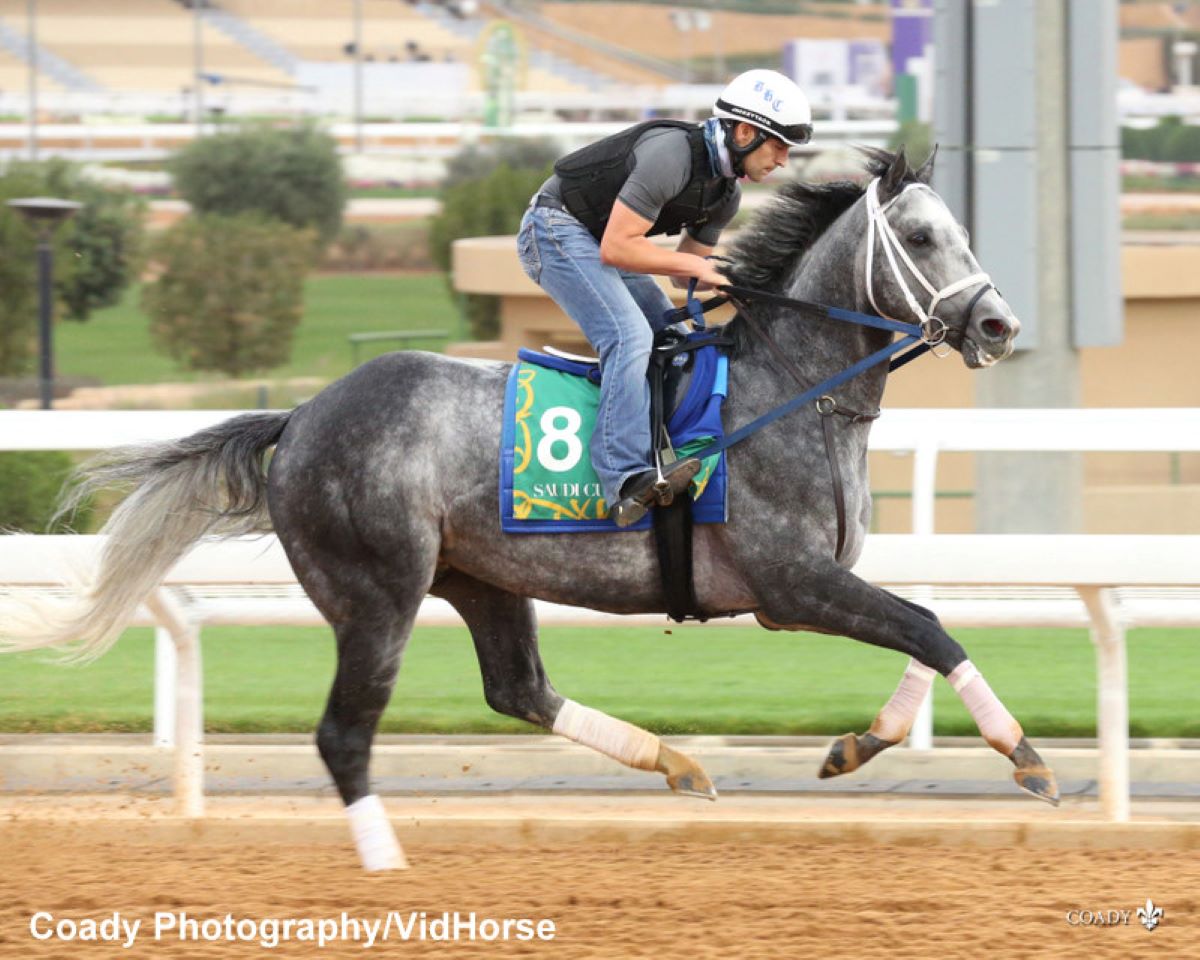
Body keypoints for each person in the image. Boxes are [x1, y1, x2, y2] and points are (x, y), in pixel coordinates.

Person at [516, 69, 813, 528]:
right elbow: (619, 248)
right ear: (746, 131)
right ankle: (622, 476)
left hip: (598, 242)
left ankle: (664, 449)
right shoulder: (671, 155)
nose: (784, 160)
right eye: (779, 145)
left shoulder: (725, 195)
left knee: (677, 336)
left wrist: (744, 278)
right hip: (554, 230)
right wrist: (700, 268)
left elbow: (683, 275)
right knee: (630, 335)